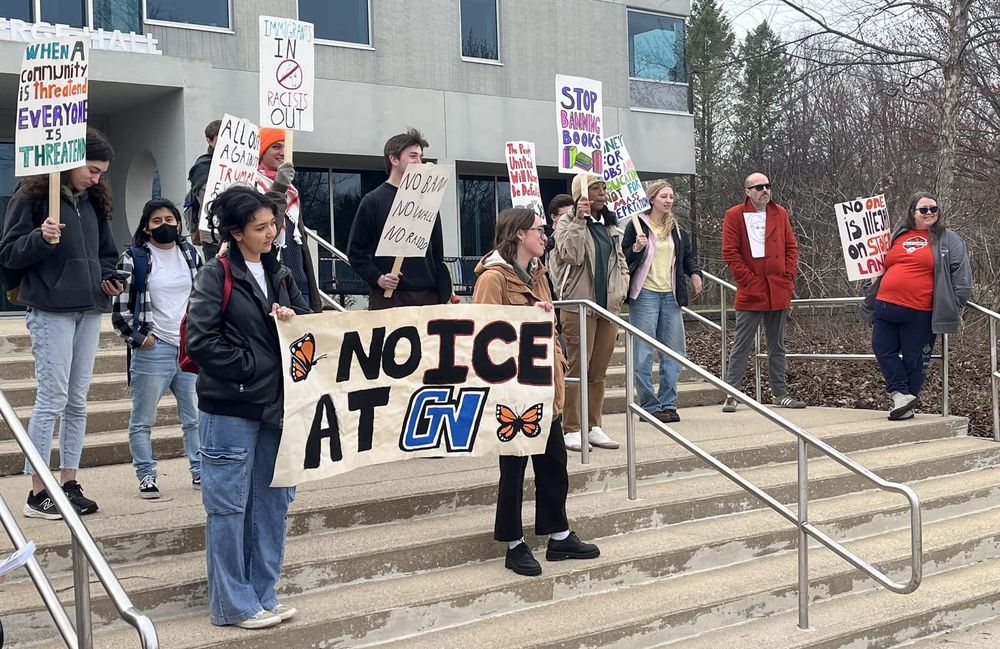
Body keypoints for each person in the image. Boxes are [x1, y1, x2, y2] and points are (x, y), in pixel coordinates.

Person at [185, 186, 310, 629]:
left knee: (272, 505)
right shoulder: (214, 275)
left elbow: (306, 324)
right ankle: (233, 604)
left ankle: (263, 592)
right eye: (260, 227)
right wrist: (256, 365)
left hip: (275, 409)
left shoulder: (280, 271)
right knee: (229, 508)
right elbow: (200, 341)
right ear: (236, 233)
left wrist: (293, 319)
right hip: (231, 407)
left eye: (273, 224)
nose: (271, 233)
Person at [472, 207, 600, 577]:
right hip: (512, 389)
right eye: (539, 230)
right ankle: (513, 543)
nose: (545, 236)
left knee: (553, 462)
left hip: (544, 384)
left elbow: (549, 324)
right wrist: (525, 321)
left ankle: (559, 534)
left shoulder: (540, 273)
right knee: (513, 468)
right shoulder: (493, 278)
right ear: (518, 234)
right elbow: (482, 332)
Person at [0, 128, 120, 519]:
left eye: (102, 172)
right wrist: (40, 236)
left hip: (89, 307)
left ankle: (68, 480)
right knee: (52, 399)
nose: (96, 178)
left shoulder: (94, 202)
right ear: (70, 161)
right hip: (51, 308)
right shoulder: (30, 197)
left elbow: (107, 252)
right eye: (92, 169)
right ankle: (38, 492)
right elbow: (9, 254)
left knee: (78, 401)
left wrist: (109, 278)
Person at [111, 199, 203, 498]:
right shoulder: (134, 258)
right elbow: (121, 310)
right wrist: (141, 339)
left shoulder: (191, 254)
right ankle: (146, 474)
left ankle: (200, 471)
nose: (165, 225)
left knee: (195, 417)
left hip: (188, 347)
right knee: (143, 419)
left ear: (179, 222)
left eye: (170, 219)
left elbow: (204, 298)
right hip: (154, 347)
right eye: (157, 221)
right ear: (146, 227)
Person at [861, 192, 971, 420]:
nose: (930, 212)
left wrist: (955, 303)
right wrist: (869, 285)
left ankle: (904, 403)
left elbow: (961, 275)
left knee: (915, 359)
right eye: (923, 209)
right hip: (885, 306)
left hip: (921, 311)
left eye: (934, 208)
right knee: (882, 348)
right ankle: (901, 395)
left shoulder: (948, 239)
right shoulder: (897, 236)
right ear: (913, 213)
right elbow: (878, 264)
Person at [550, 174, 629, 451]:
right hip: (578, 305)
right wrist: (579, 220)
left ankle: (594, 424)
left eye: (603, 188)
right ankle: (571, 426)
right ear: (580, 194)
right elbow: (571, 254)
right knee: (578, 366)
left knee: (599, 369)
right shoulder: (566, 222)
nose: (601, 192)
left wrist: (620, 290)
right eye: (595, 188)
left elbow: (619, 261)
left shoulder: (609, 225)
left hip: (606, 306)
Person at [720, 173, 806, 412]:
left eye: (768, 186)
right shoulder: (735, 215)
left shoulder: (780, 213)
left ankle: (780, 393)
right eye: (759, 187)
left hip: (778, 287)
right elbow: (730, 253)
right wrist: (748, 280)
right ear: (747, 191)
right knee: (742, 343)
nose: (765, 190)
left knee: (777, 345)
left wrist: (788, 276)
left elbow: (791, 246)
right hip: (752, 289)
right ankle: (732, 392)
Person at [622, 180, 704, 423]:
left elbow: (688, 257)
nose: (668, 201)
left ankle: (668, 403)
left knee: (674, 352)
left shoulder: (677, 229)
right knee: (643, 353)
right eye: (663, 197)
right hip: (645, 293)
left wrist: (695, 274)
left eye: (671, 197)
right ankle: (649, 405)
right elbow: (624, 259)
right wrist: (637, 247)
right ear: (652, 199)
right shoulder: (636, 225)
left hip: (671, 295)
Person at [347, 128, 451, 309]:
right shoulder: (373, 201)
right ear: (394, 159)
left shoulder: (428, 199)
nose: (419, 162)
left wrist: (442, 287)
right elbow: (356, 252)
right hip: (390, 297)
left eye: (420, 156)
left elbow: (437, 252)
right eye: (413, 156)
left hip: (428, 296)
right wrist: (378, 278)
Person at [255, 127, 323, 313]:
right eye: (275, 146)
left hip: (299, 281)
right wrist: (279, 187)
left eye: (286, 146)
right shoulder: (252, 184)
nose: (283, 152)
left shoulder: (292, 189)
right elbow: (268, 229)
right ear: (262, 151)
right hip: (273, 281)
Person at [185, 119, 221, 259]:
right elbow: (207, 196)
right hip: (213, 234)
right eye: (221, 138)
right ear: (209, 140)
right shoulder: (202, 166)